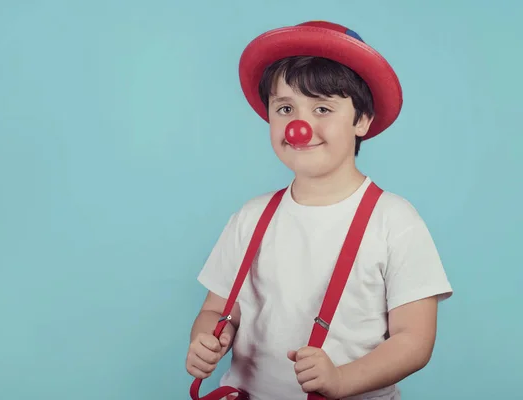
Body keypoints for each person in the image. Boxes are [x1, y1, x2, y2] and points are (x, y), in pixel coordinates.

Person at [185, 21, 453, 400]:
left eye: (323, 107)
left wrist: (341, 379)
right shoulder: (251, 216)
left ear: (361, 120)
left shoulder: (395, 221)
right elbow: (216, 311)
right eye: (285, 107)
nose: (299, 126)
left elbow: (415, 340)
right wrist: (207, 339)